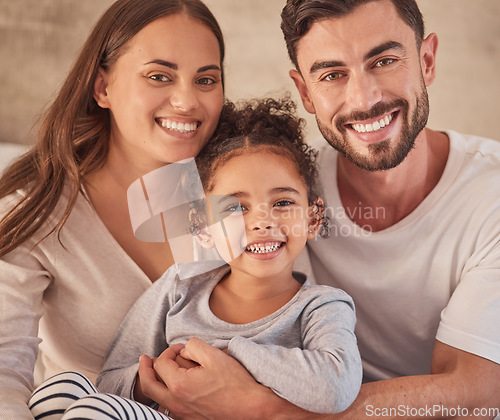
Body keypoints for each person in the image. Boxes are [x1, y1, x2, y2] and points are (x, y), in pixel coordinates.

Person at [132, 0, 500, 419]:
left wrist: (262, 408)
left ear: (427, 59)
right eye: (332, 74)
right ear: (305, 91)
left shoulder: (492, 197)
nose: (364, 98)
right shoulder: (278, 185)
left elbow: (478, 392)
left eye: (384, 60)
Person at [27, 97, 362, 419]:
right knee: (62, 390)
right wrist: (151, 383)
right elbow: (109, 380)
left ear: (313, 219)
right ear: (202, 227)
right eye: (234, 207)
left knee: (93, 411)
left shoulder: (323, 306)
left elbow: (336, 387)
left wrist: (234, 354)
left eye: (283, 203)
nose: (262, 221)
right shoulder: (180, 287)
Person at [0, 0, 225, 418]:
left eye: (206, 79)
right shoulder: (37, 211)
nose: (187, 101)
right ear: (102, 87)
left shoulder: (239, 192)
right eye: (159, 76)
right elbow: (3, 370)